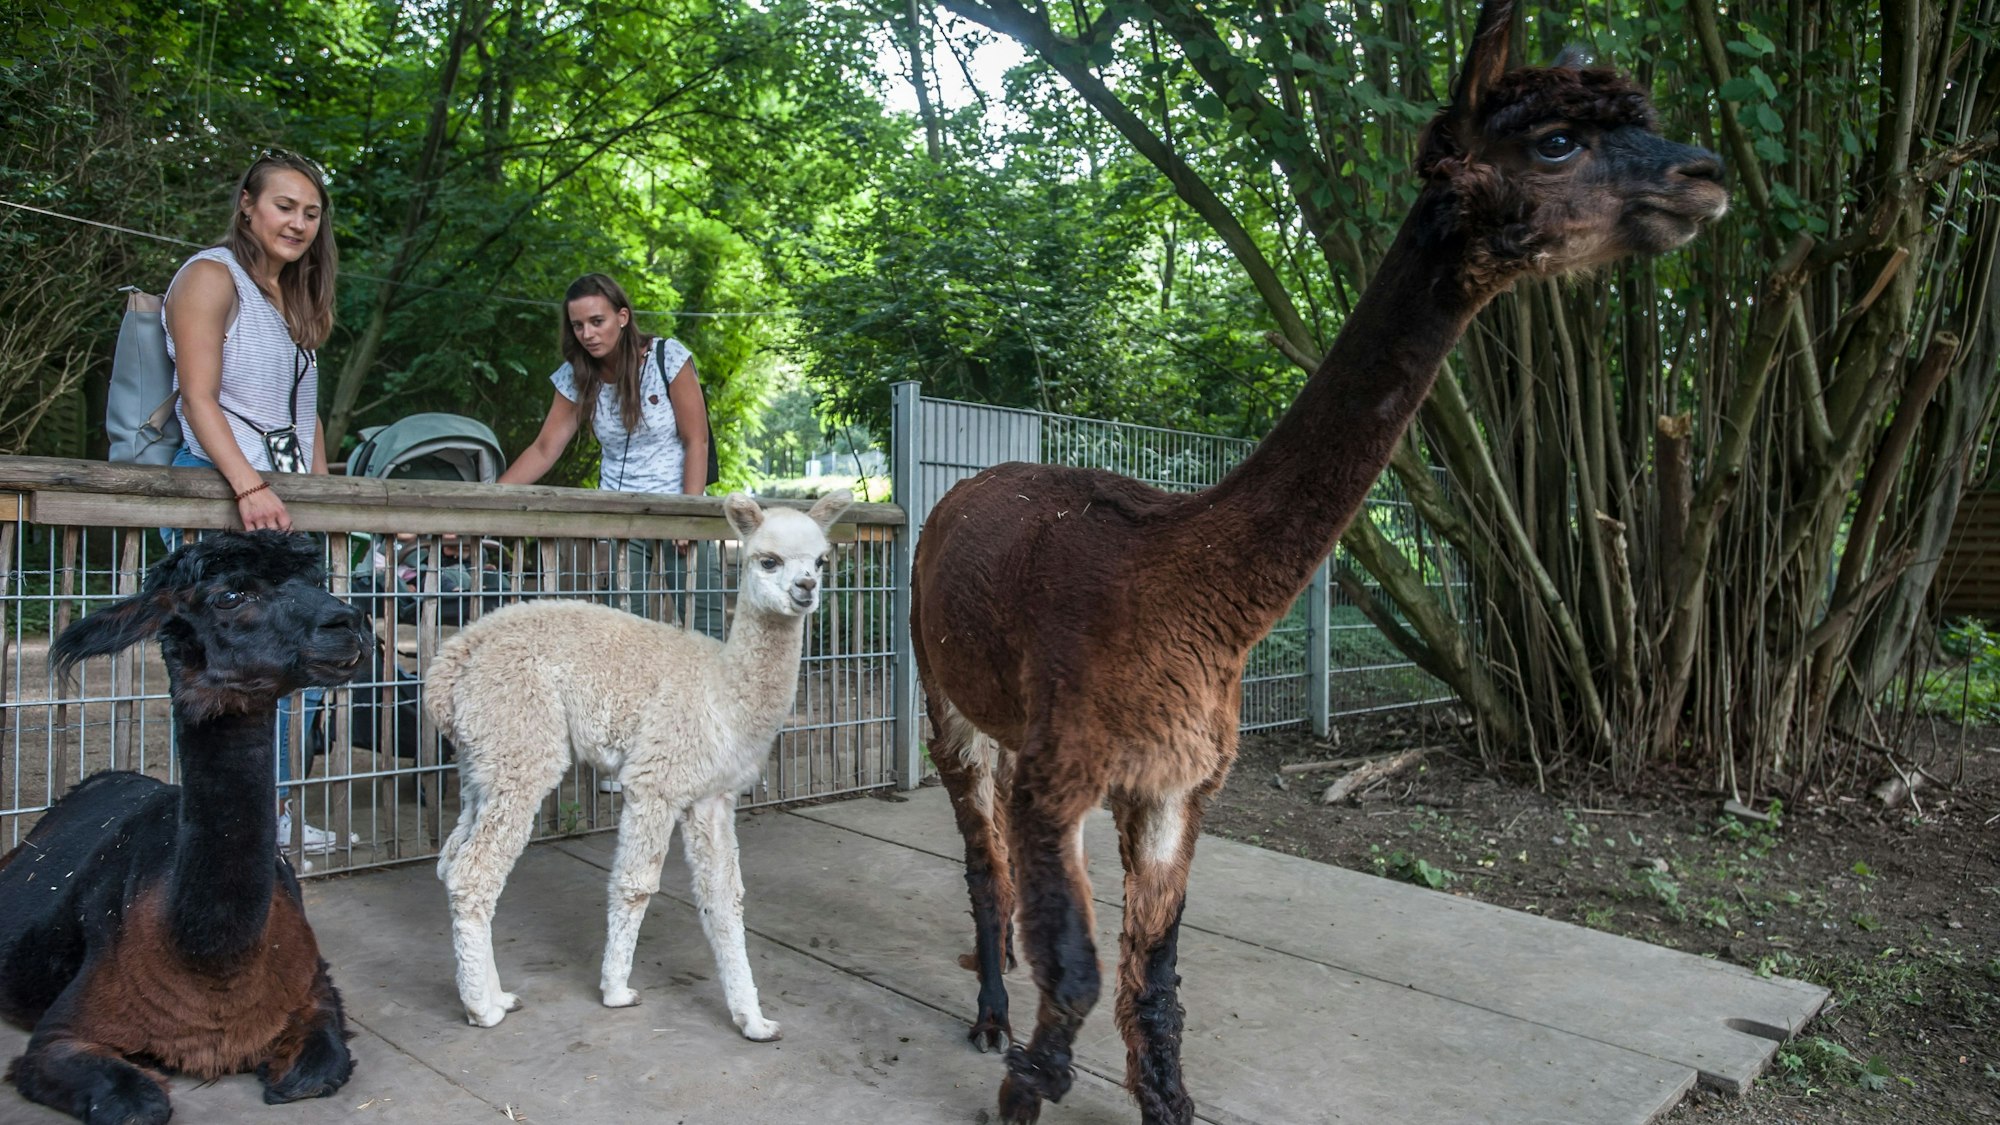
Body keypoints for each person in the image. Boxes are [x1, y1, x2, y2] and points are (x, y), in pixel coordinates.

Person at [161, 148, 354, 855]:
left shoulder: (290, 297)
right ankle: (228, 824)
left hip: (283, 504)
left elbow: (304, 413)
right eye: (284, 206)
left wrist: (322, 490)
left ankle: (272, 812)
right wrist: (247, 483)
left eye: (312, 213)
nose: (298, 223)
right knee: (231, 670)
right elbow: (198, 397)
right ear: (247, 205)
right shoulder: (211, 275)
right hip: (222, 495)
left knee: (303, 660)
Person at [499, 273, 719, 634]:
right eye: (578, 326)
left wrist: (690, 513)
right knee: (623, 632)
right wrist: (490, 497)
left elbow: (697, 440)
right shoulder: (575, 375)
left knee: (706, 627)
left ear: (622, 317)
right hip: (620, 516)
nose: (587, 334)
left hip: (678, 507)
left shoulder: (667, 357)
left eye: (597, 321)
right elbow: (544, 448)